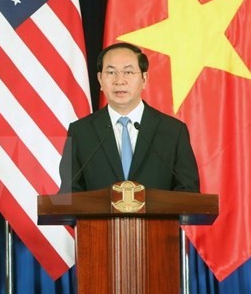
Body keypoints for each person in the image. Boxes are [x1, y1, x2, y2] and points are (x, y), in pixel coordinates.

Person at [59, 42, 200, 193]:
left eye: (128, 72)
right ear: (100, 79)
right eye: (111, 72)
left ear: (144, 79)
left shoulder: (173, 131)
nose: (119, 81)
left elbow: (189, 192)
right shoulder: (81, 132)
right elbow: (68, 195)